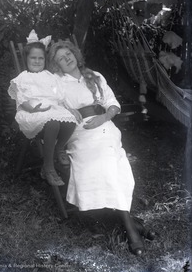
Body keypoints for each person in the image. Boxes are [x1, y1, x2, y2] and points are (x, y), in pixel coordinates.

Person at [47, 39, 155, 256]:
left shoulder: (94, 76)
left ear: (76, 55)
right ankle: (132, 225)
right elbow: (49, 106)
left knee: (108, 155)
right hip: (78, 132)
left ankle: (129, 228)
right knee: (111, 164)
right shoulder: (56, 83)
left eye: (68, 54)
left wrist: (104, 117)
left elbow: (112, 102)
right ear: (57, 65)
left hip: (104, 127)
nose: (66, 58)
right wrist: (66, 111)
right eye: (60, 58)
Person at [7, 31, 79, 187]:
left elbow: (59, 95)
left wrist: (67, 108)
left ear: (45, 60)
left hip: (52, 108)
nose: (37, 61)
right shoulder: (23, 77)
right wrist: (32, 109)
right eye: (33, 58)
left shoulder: (49, 76)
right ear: (26, 59)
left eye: (40, 58)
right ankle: (48, 167)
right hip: (32, 111)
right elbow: (21, 99)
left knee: (71, 121)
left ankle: (59, 147)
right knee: (53, 123)